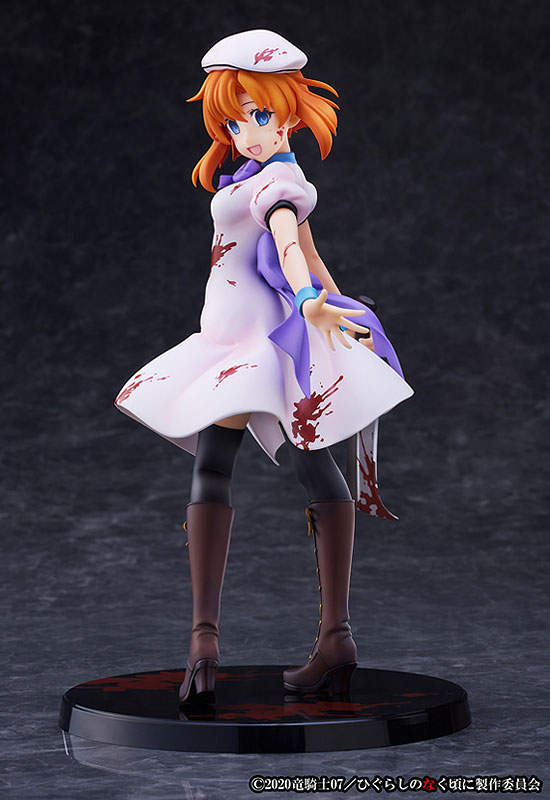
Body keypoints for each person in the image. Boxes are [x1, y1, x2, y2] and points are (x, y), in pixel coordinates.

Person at [115, 29, 413, 704]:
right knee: (303, 465)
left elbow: (288, 244)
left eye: (258, 115)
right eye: (233, 121)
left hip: (255, 346)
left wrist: (309, 302)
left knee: (223, 466)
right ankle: (331, 638)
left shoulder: (278, 183)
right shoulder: (256, 176)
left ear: (288, 113)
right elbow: (309, 250)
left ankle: (210, 642)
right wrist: (334, 305)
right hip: (228, 340)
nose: (245, 133)